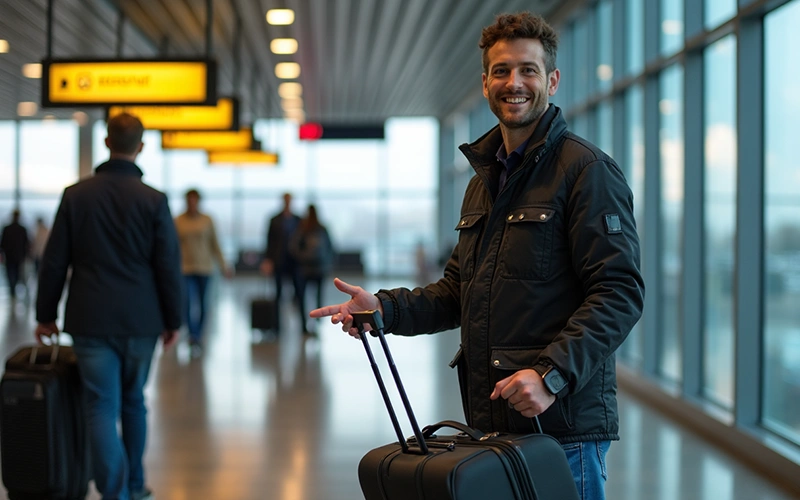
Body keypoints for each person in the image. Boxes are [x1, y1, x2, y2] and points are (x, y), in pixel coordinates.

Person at [310, 12, 645, 500]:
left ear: (552, 80)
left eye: (528, 70)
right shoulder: (483, 182)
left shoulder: (586, 171)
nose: (515, 83)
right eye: (502, 71)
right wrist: (383, 308)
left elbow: (619, 292)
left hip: (562, 429)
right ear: (486, 82)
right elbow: (457, 292)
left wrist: (551, 375)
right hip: (492, 424)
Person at [35, 113, 182, 500]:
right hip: (142, 319)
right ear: (141, 146)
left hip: (90, 318)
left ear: (106, 142)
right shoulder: (154, 200)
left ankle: (114, 493)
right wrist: (174, 320)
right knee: (134, 402)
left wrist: (45, 314)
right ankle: (135, 486)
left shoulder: (76, 195)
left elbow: (55, 261)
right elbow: (168, 265)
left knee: (100, 406)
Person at [174, 188, 233, 356]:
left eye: (195, 200)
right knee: (186, 302)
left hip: (204, 267)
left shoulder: (207, 220)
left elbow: (215, 244)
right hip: (185, 268)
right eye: (189, 200)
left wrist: (224, 265)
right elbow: (172, 246)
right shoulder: (178, 221)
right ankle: (193, 334)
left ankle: (198, 335)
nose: (192, 203)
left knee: (203, 303)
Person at [260, 192, 304, 333]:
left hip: (295, 262)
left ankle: (304, 326)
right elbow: (269, 241)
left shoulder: (298, 220)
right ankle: (276, 327)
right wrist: (267, 260)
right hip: (279, 261)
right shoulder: (275, 220)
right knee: (278, 295)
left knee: (300, 294)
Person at [289, 204, 334, 336]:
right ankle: (317, 321)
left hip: (304, 268)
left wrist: (302, 257)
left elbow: (293, 247)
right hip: (319, 268)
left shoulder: (302, 229)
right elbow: (330, 248)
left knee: (302, 298)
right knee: (318, 296)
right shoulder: (321, 229)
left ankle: (304, 325)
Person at [0, 209, 30, 300]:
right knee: (16, 275)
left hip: (10, 256)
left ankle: (13, 293)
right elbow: (26, 244)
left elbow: (3, 244)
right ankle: (13, 293)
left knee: (11, 275)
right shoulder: (22, 229)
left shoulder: (7, 229)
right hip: (18, 257)